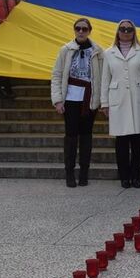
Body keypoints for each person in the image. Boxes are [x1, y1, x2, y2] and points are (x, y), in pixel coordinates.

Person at [100, 20, 140, 189]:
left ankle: (136, 176)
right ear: (117, 32)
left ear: (134, 32)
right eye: (122, 29)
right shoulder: (108, 53)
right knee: (121, 143)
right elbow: (105, 80)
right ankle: (124, 177)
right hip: (118, 100)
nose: (125, 32)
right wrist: (104, 103)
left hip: (138, 99)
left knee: (138, 142)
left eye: (129, 29)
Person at [51, 18, 103, 187]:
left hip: (89, 99)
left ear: (89, 31)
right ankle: (69, 172)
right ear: (74, 30)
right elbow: (57, 75)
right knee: (71, 136)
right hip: (71, 98)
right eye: (78, 28)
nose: (81, 31)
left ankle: (84, 172)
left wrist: (102, 100)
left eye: (84, 29)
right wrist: (58, 100)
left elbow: (103, 76)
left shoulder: (98, 51)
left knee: (86, 136)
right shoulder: (65, 50)